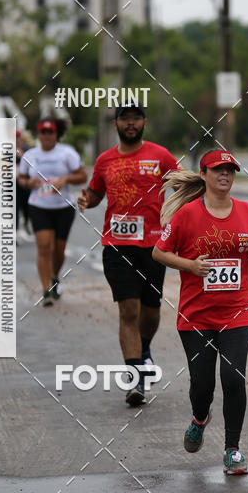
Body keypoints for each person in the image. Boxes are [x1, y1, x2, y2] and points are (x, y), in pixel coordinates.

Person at [152, 149, 248, 475]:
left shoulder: (246, 210)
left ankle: (233, 450)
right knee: (202, 386)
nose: (225, 175)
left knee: (233, 379)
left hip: (237, 311)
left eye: (230, 170)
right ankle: (200, 417)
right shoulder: (187, 214)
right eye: (218, 170)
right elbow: (159, 252)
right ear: (203, 174)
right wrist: (190, 265)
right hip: (196, 315)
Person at [78, 105, 180, 407]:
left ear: (144, 122)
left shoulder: (161, 156)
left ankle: (144, 347)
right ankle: (135, 378)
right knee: (129, 310)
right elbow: (96, 194)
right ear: (116, 124)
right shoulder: (104, 160)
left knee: (150, 312)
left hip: (153, 247)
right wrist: (88, 199)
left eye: (136, 118)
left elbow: (185, 183)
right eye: (125, 118)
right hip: (116, 245)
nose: (131, 123)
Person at [18, 119, 86, 306]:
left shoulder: (67, 153)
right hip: (39, 206)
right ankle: (45, 289)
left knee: (58, 250)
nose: (46, 136)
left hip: (63, 207)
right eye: (43, 132)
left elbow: (83, 175)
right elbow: (21, 178)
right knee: (44, 247)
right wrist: (27, 183)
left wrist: (66, 179)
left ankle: (55, 276)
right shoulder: (30, 155)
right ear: (38, 135)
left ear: (56, 134)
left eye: (50, 132)